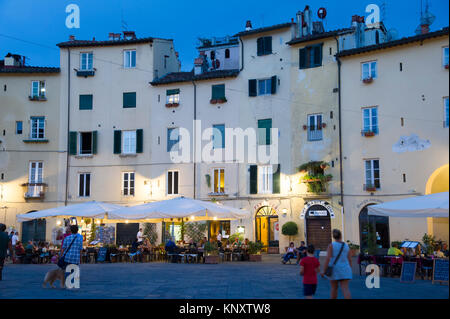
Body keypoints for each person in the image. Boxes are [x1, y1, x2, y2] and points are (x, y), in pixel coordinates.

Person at [321, 229, 352, 299]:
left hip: (335, 269)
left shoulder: (331, 245)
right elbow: (350, 259)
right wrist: (350, 269)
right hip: (345, 269)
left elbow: (328, 259)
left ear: (333, 236)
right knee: (345, 289)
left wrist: (324, 270)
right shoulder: (346, 246)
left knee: (334, 288)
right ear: (341, 235)